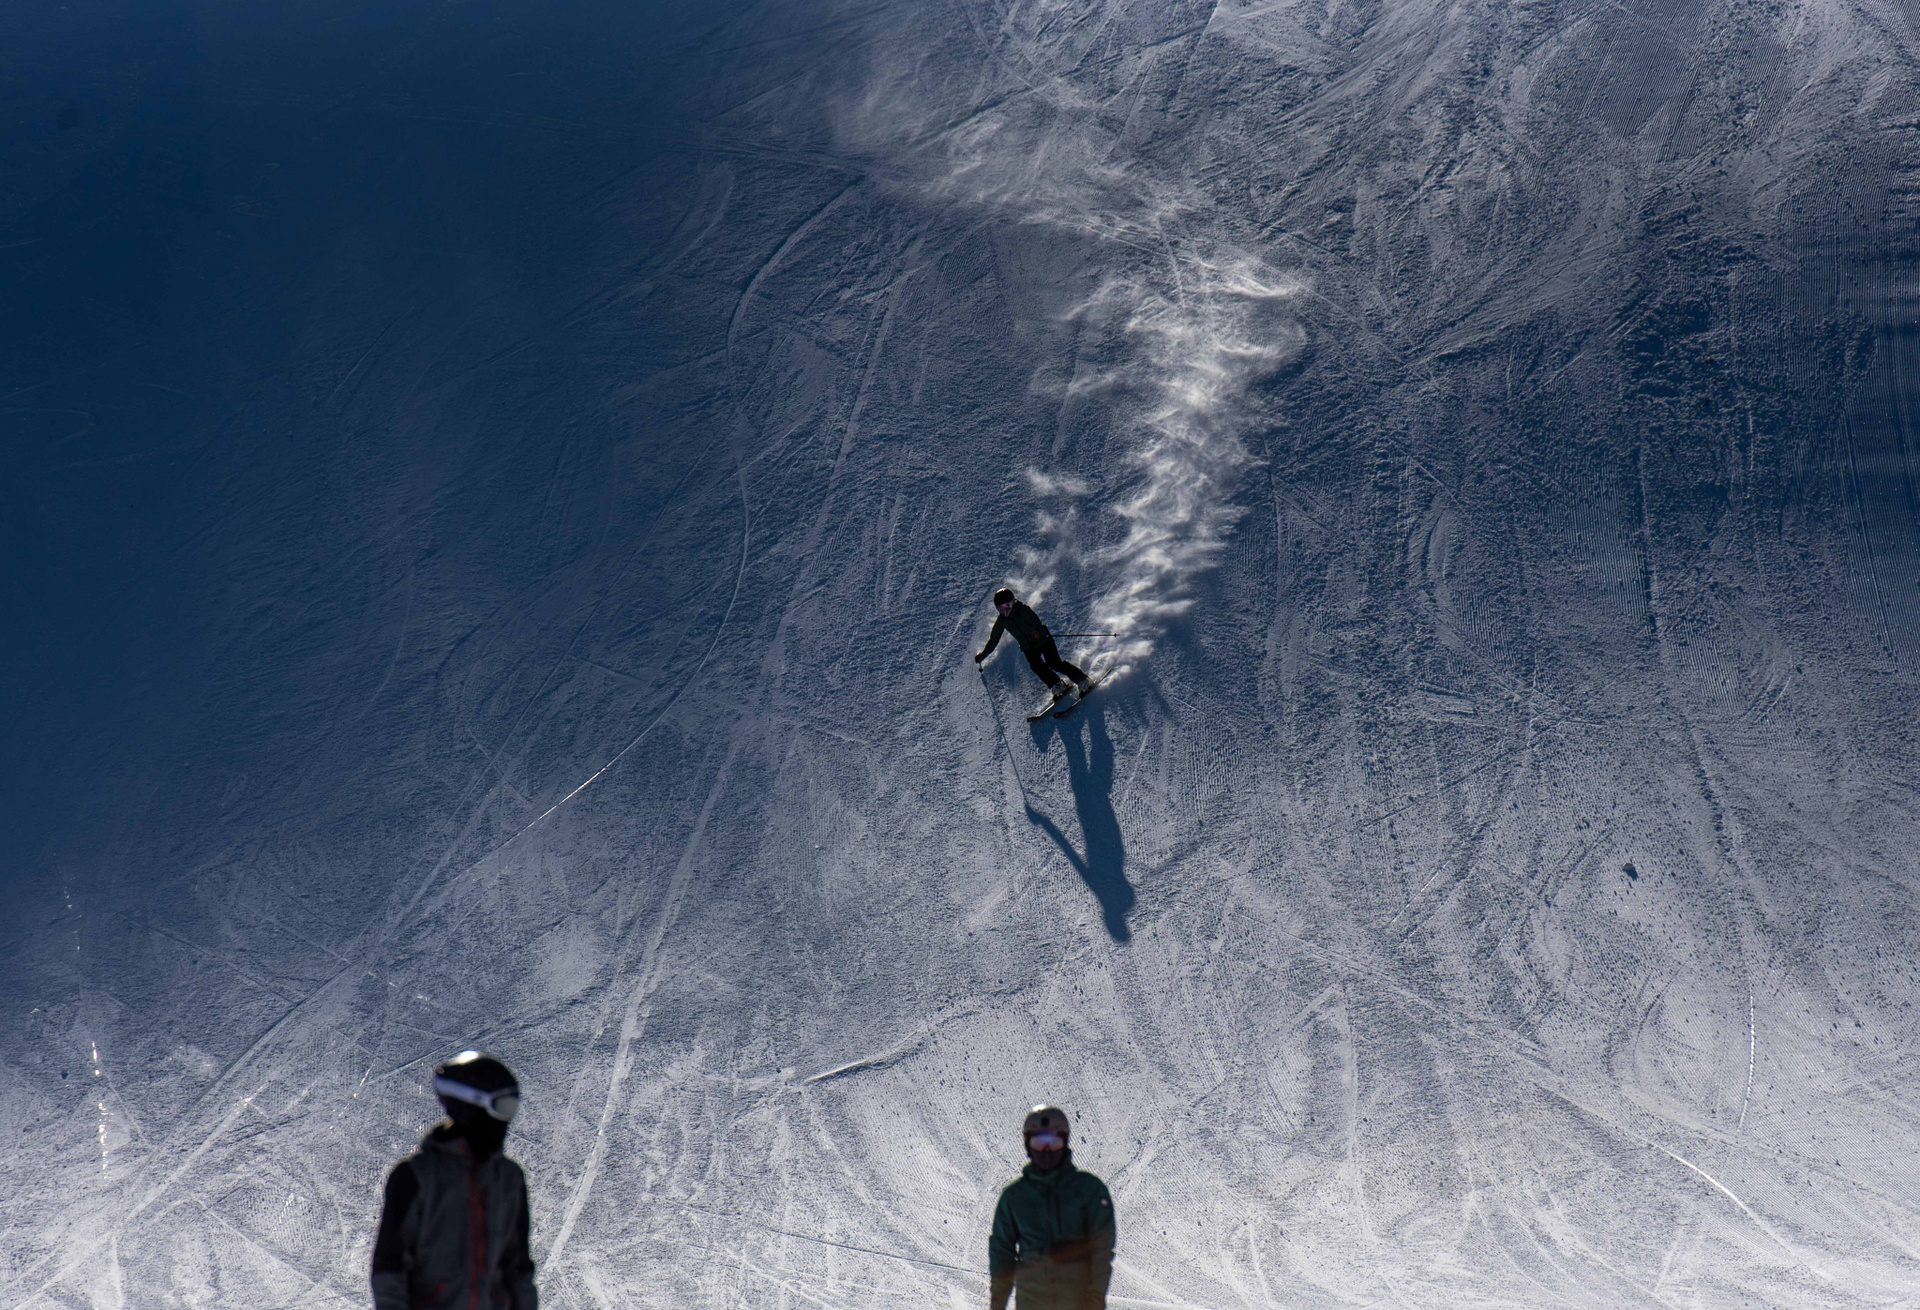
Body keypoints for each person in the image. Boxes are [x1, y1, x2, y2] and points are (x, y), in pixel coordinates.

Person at [371, 1051, 538, 1310]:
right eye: (501, 1108)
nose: (505, 1121)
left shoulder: (508, 1178)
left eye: (511, 1108)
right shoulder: (417, 1177)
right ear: (468, 1108)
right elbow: (389, 1269)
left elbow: (518, 1269)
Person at [988, 1105, 1115, 1310]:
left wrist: (1095, 1298)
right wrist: (997, 1305)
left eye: (1053, 1143)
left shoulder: (1089, 1190)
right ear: (1027, 1144)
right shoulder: (1014, 1197)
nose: (1046, 1150)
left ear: (1065, 1141)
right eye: (1039, 1143)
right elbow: (1002, 1253)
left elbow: (1102, 1249)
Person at [975, 588, 1092, 701]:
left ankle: (1082, 680)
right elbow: (994, 639)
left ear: (1011, 603)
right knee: (1036, 666)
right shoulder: (1002, 620)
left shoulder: (1023, 610)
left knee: (1054, 663)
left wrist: (1036, 631)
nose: (1003, 611)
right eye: (999, 609)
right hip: (1028, 647)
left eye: (1005, 607)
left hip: (1042, 639)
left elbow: (1035, 621)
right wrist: (983, 654)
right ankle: (1057, 684)